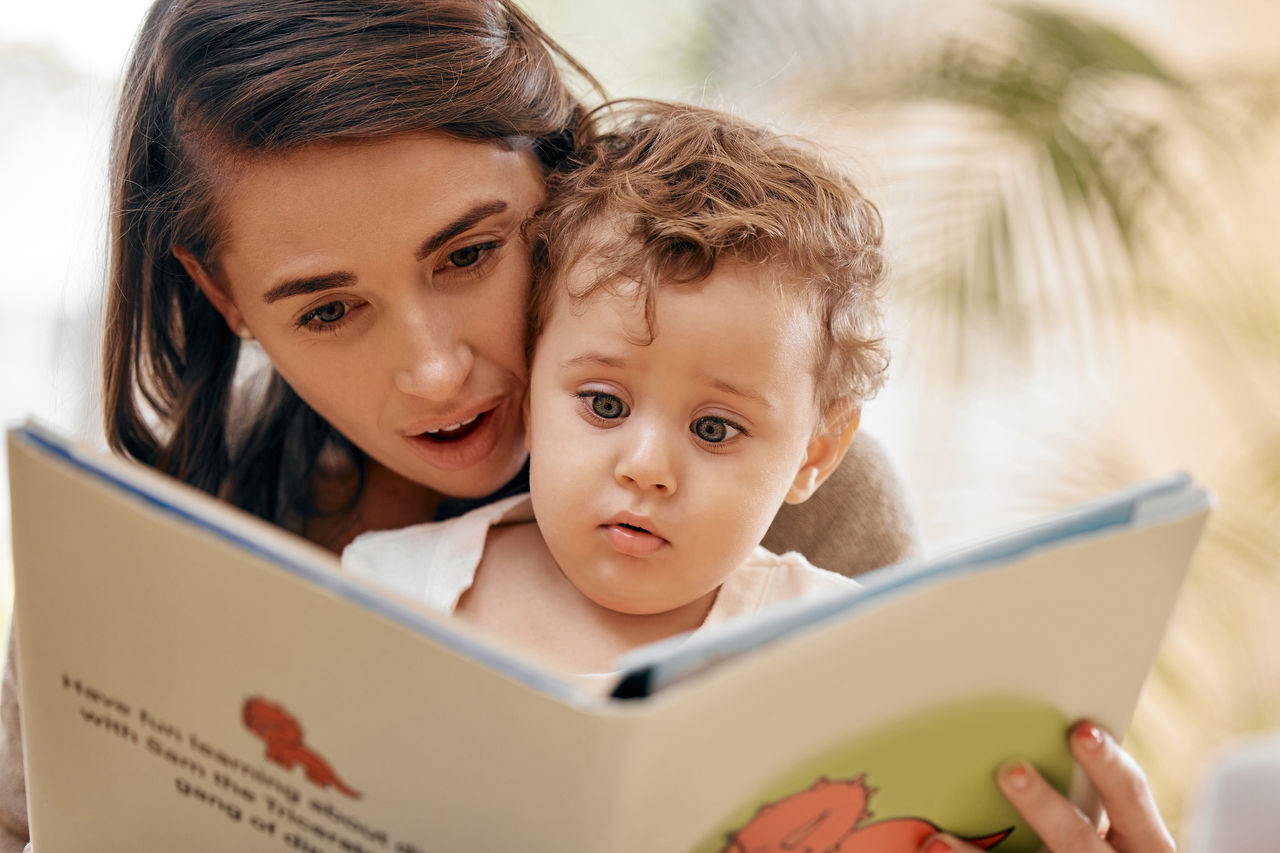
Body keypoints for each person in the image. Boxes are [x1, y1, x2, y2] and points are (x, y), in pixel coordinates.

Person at [0, 1, 1172, 851]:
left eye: (468, 252)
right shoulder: (140, 554)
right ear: (226, 301)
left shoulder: (812, 505)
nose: (432, 369)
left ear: (557, 181)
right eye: (328, 309)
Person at [342, 101, 879, 680]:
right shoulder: (387, 589)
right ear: (530, 390)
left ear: (814, 452)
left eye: (714, 429)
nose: (646, 469)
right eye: (605, 405)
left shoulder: (840, 649)